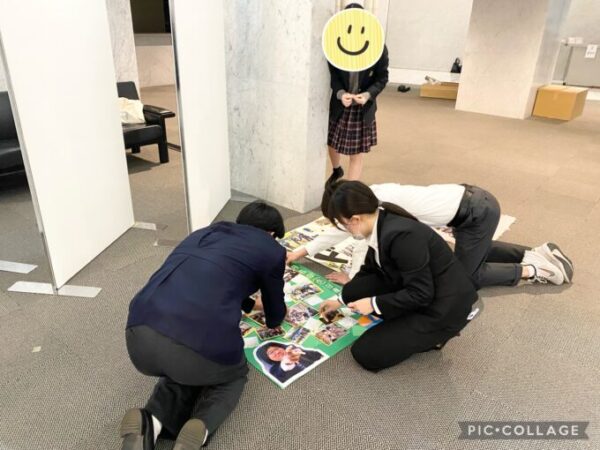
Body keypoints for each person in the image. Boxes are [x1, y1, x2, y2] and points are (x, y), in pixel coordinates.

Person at [120, 201, 287, 450]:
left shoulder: (205, 233)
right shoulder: (271, 250)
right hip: (196, 344)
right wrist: (276, 313)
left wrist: (251, 305)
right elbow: (274, 316)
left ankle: (150, 423)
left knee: (181, 372)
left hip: (139, 333)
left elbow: (210, 279)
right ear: (271, 233)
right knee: (231, 376)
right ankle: (201, 427)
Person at [288, 180, 573, 290]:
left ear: (353, 215)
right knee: (470, 250)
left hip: (477, 213)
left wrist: (353, 278)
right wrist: (299, 252)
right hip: (470, 201)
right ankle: (535, 252)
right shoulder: (365, 197)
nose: (342, 226)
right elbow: (341, 231)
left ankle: (536, 269)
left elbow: (364, 244)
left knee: (465, 279)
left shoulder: (373, 211)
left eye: (341, 220)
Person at [318, 181, 479, 371]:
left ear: (355, 219)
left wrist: (373, 303)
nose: (345, 230)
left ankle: (439, 334)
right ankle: (397, 315)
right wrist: (341, 299)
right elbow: (371, 270)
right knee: (353, 291)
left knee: (366, 352)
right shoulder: (380, 220)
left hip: (441, 307)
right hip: (416, 286)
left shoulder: (402, 237)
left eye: (343, 224)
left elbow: (421, 294)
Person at [326, 3, 389, 182]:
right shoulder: (335, 45)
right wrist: (340, 93)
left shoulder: (378, 47)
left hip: (362, 108)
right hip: (340, 104)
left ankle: (350, 189)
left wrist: (367, 95)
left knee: (356, 153)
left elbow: (382, 78)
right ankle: (336, 170)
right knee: (331, 143)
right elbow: (334, 76)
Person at [255, 342, 323, 384]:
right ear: (268, 358)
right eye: (271, 352)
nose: (277, 352)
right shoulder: (273, 370)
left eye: (276, 348)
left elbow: (318, 355)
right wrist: (286, 363)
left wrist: (303, 352)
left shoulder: (295, 350)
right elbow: (280, 377)